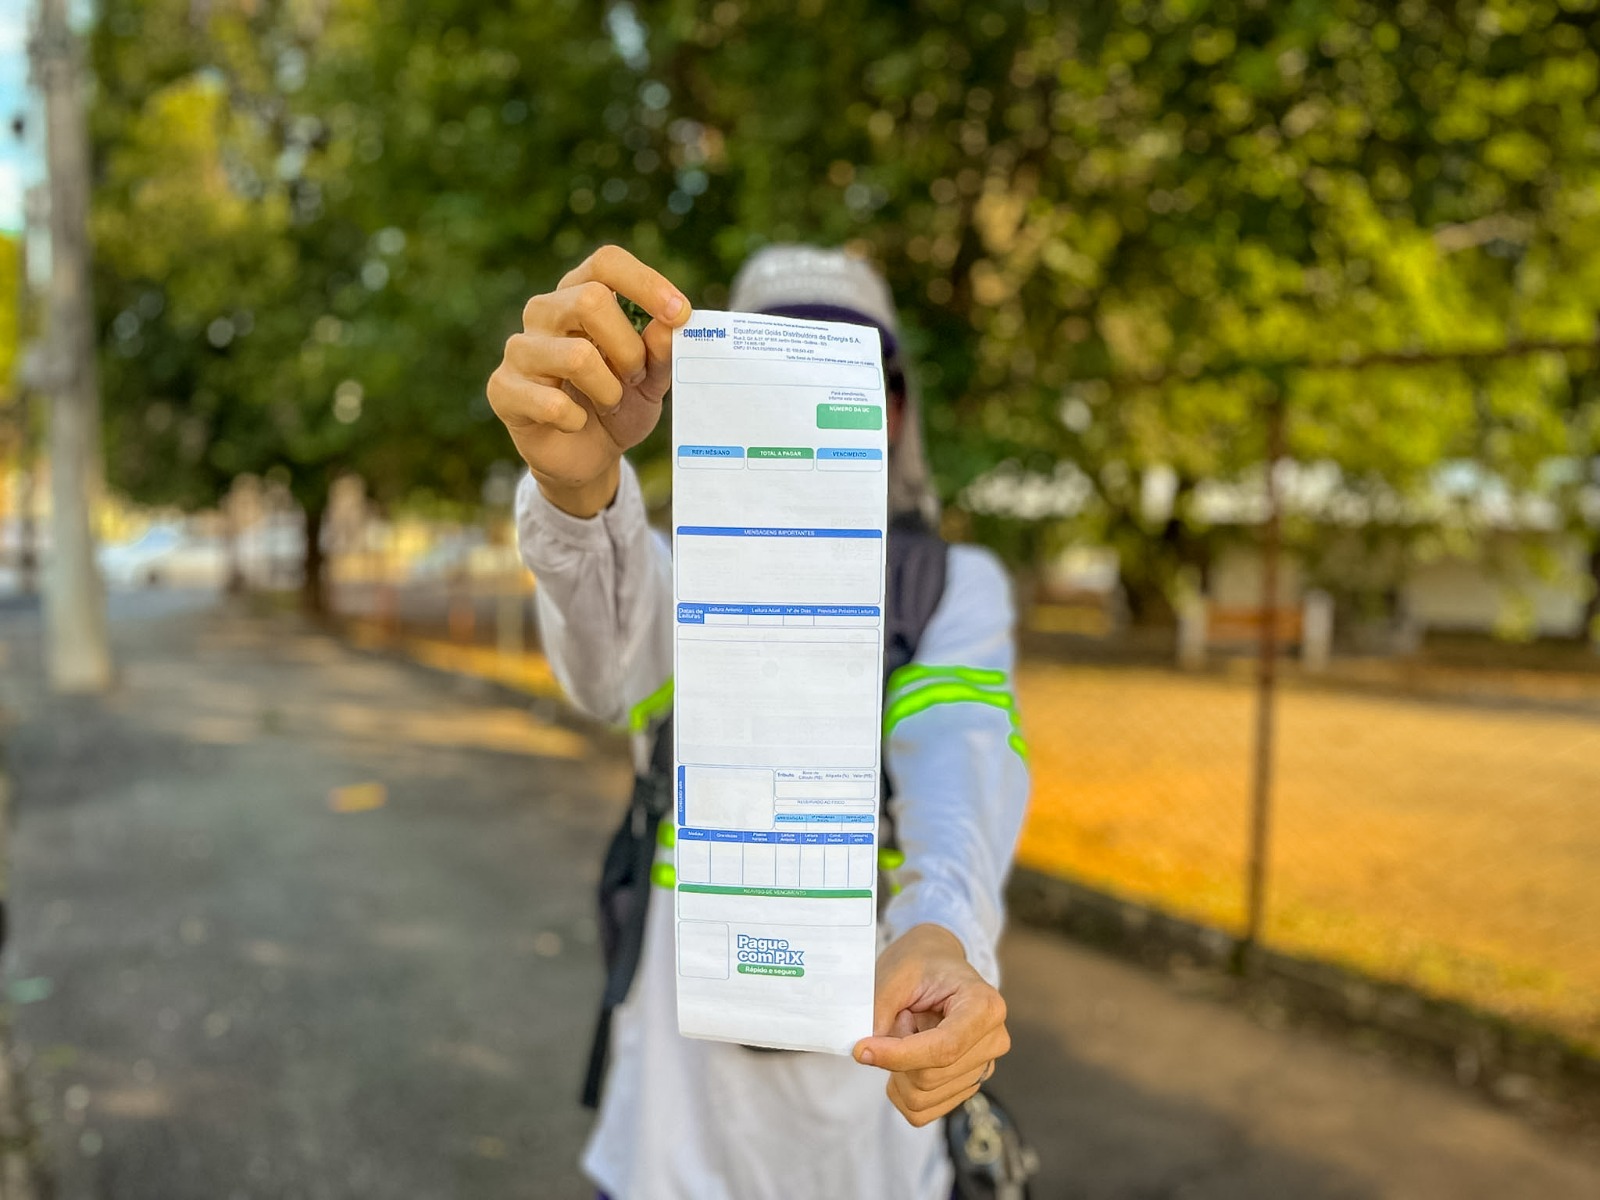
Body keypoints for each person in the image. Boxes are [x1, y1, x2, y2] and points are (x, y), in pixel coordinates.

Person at [489, 243, 1031, 1200]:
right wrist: (577, 500)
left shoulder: (952, 587)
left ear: (897, 411)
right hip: (672, 1136)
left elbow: (962, 765)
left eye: (847, 376)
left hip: (868, 1142)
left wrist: (944, 930)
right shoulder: (674, 574)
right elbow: (606, 668)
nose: (802, 410)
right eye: (764, 367)